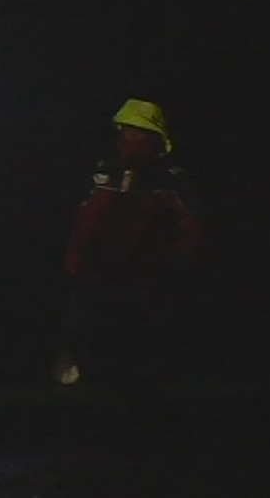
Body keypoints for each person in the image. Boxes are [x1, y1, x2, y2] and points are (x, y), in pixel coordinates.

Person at [53, 98, 204, 398]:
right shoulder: (105, 171)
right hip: (103, 271)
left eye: (135, 132)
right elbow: (87, 218)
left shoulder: (170, 178)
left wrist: (177, 262)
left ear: (152, 138)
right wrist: (76, 255)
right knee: (88, 329)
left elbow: (190, 226)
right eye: (124, 132)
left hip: (150, 274)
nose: (127, 139)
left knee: (144, 340)